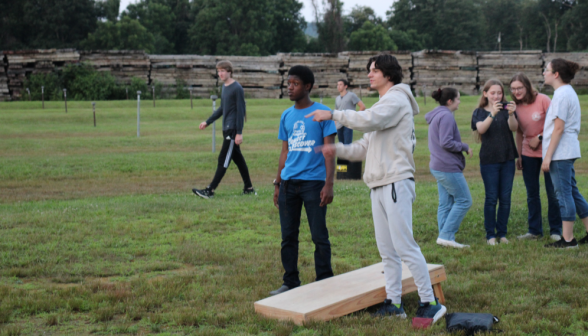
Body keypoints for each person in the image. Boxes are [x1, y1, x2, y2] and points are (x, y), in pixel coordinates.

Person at [307, 54, 446, 324]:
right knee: (387, 249)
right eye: (369, 70)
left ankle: (430, 302)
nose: (369, 75)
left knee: (405, 246)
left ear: (389, 74)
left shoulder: (396, 99)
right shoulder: (384, 104)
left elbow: (368, 119)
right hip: (379, 183)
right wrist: (337, 149)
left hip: (396, 182)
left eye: (374, 70)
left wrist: (334, 114)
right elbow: (364, 146)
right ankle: (394, 303)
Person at [269, 65, 337, 295]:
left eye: (295, 84)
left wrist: (329, 184)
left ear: (308, 86)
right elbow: (284, 152)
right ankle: (290, 281)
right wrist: (278, 183)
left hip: (313, 184)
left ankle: (325, 280)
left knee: (319, 236)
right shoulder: (286, 115)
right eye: (288, 83)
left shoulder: (323, 113)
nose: (290, 87)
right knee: (288, 236)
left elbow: (329, 150)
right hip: (289, 185)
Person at [541, 59, 588, 249]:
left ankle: (568, 240)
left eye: (547, 70)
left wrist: (548, 156)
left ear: (556, 74)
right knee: (573, 192)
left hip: (561, 153)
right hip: (567, 150)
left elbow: (558, 128)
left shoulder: (561, 95)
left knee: (563, 195)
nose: (544, 73)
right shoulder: (567, 92)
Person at [510, 73, 562, 241]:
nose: (516, 92)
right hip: (528, 154)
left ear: (527, 86)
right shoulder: (515, 107)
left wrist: (539, 137)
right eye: (513, 89)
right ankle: (534, 231)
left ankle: (556, 230)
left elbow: (556, 124)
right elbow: (518, 132)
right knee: (532, 193)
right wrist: (518, 155)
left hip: (549, 152)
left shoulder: (543, 100)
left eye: (519, 88)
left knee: (552, 192)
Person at [192, 60, 256, 199]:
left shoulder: (237, 88)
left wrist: (239, 132)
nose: (220, 73)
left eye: (222, 71)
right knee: (238, 159)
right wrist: (208, 121)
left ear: (229, 71)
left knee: (223, 159)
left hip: (232, 129)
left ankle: (210, 190)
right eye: (218, 71)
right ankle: (249, 188)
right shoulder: (225, 87)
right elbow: (222, 108)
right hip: (226, 129)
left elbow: (240, 111)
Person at [471, 79, 518, 245]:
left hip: (507, 159)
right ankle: (490, 235)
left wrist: (511, 114)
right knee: (491, 198)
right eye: (493, 93)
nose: (497, 96)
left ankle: (502, 233)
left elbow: (514, 128)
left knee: (505, 198)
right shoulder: (479, 112)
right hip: (489, 161)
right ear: (485, 94)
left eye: (500, 93)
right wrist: (492, 113)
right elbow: (481, 129)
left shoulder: (507, 110)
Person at [426, 88, 473, 249]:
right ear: (450, 101)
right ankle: (446, 235)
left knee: (445, 204)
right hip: (447, 167)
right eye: (458, 99)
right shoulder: (446, 116)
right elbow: (446, 142)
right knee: (464, 200)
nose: (460, 101)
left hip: (438, 165)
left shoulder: (437, 115)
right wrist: (464, 146)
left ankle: (444, 237)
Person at [335, 79, 366, 144]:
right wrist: (335, 124)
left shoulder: (351, 95)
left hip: (348, 124)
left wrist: (354, 117)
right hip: (339, 124)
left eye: (340, 84)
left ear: (345, 86)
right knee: (341, 144)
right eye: (337, 85)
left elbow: (362, 106)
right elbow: (337, 111)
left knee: (347, 145)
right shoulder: (337, 98)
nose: (338, 86)